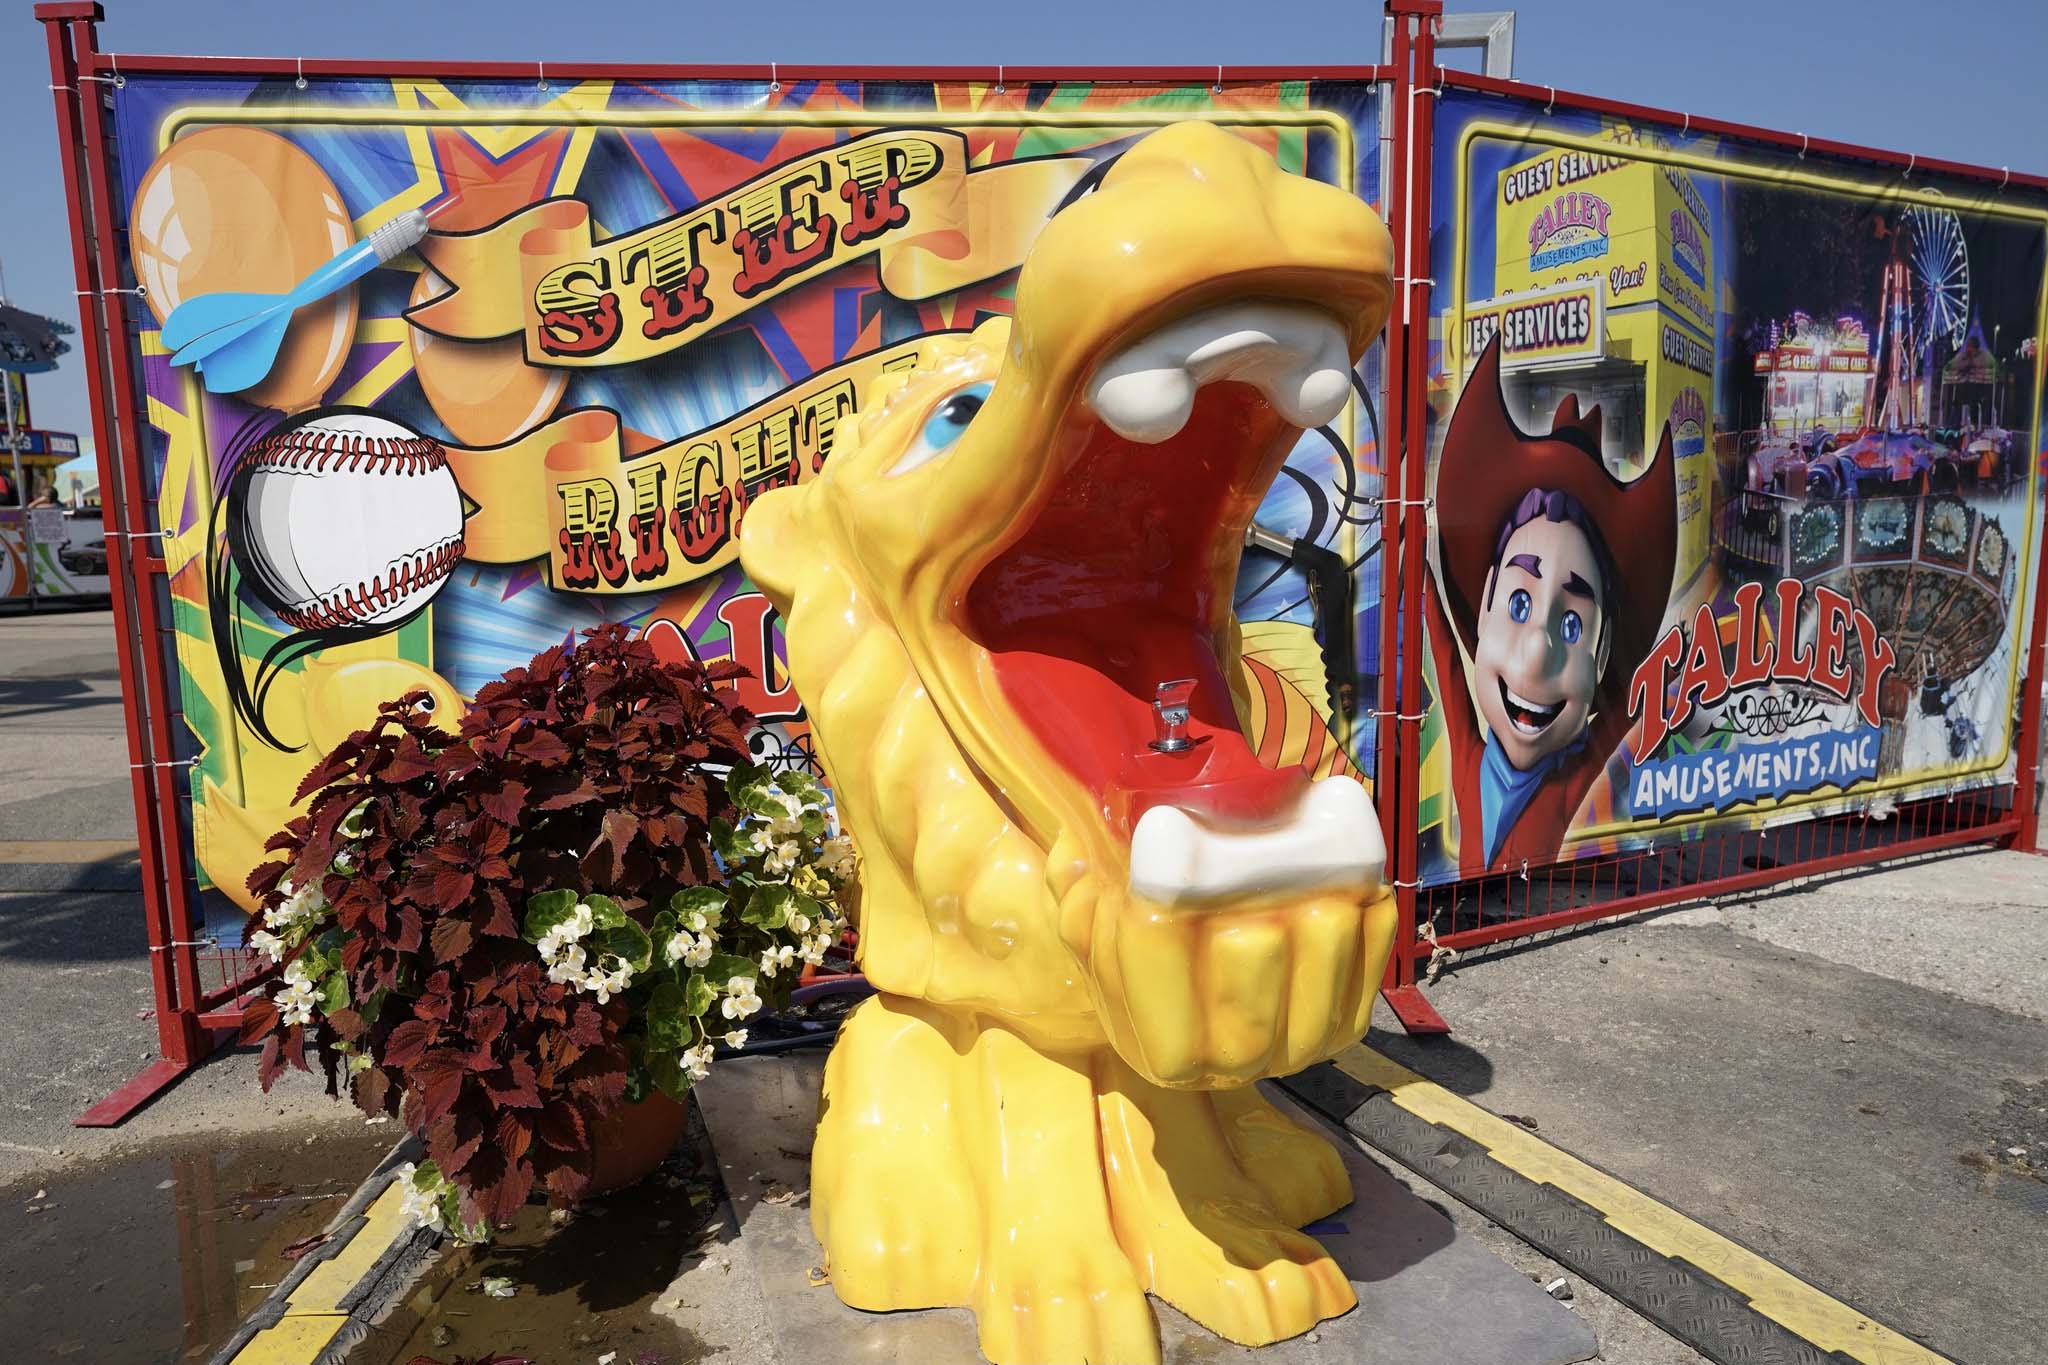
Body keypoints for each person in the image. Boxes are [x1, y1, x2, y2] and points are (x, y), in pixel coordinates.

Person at [1426, 338, 1678, 873]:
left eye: (1571, 623)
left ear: (1602, 646)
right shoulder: (1472, 764)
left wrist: (1680, 660)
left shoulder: (1567, 782)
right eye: (1519, 602)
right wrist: (1414, 574)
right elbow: (1449, 665)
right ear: (1489, 594)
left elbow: (1621, 713)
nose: (1538, 658)